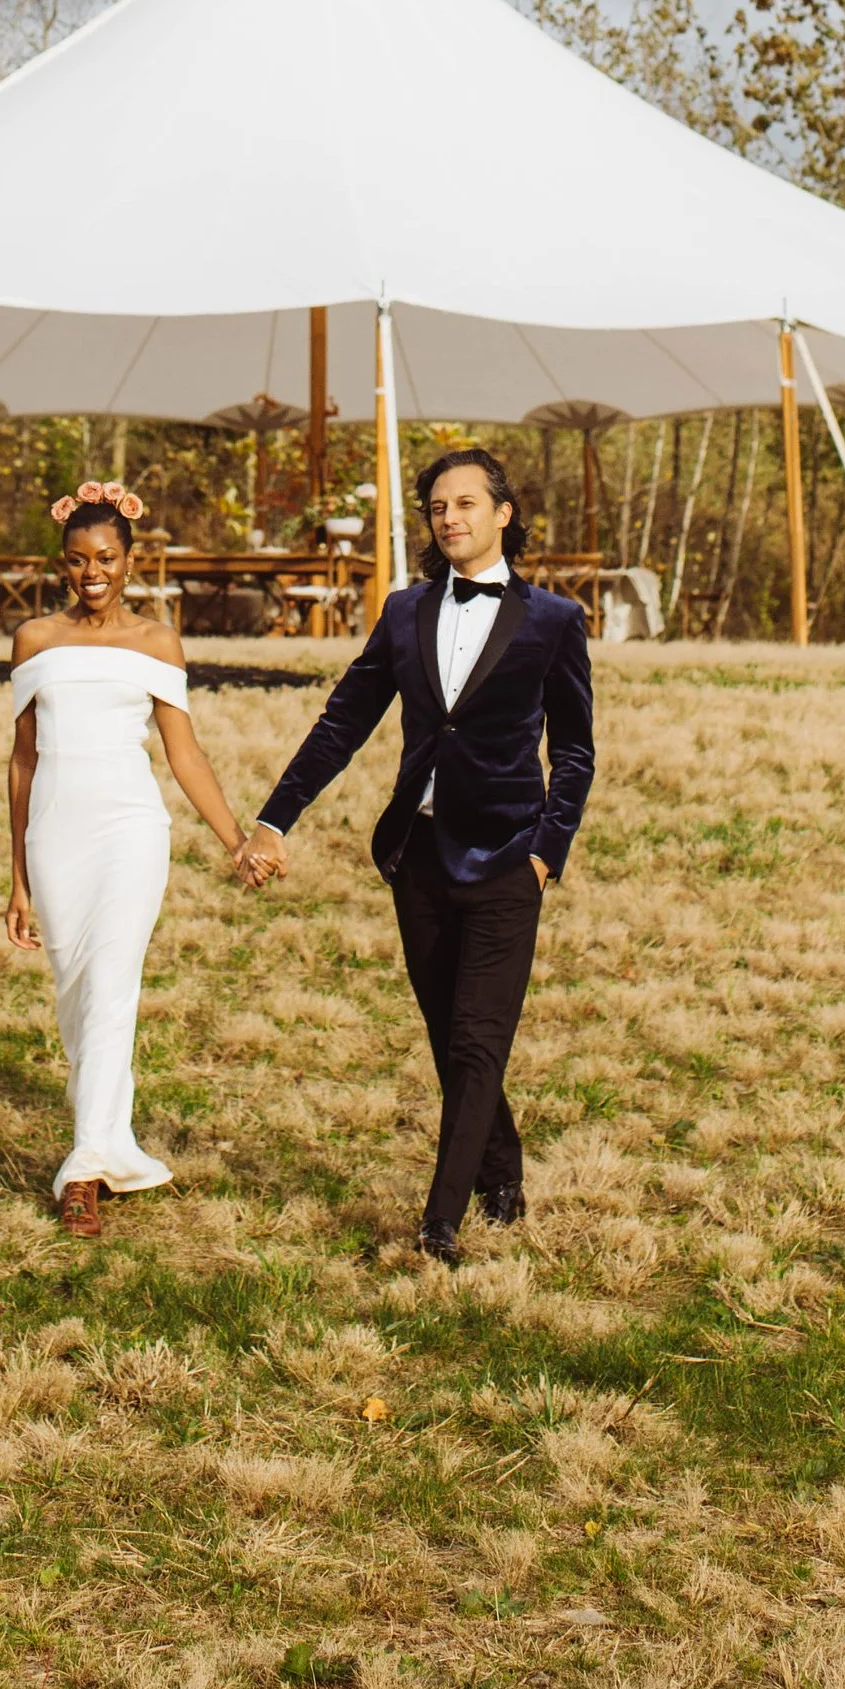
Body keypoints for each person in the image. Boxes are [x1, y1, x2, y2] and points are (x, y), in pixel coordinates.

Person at [235, 443, 594, 1264]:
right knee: (449, 1036)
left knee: (477, 1039)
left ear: (503, 514)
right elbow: (343, 722)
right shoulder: (404, 613)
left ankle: (439, 1225)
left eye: (466, 503)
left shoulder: (552, 621)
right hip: (420, 856)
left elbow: (575, 751)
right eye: (438, 507)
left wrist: (547, 850)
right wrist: (273, 820)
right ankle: (501, 1171)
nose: (450, 517)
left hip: (508, 858)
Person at [5, 480, 266, 1238]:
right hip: (56, 834)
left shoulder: (156, 642)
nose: (94, 572)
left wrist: (236, 840)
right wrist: (16, 877)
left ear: (131, 562)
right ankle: (112, 1143)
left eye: (108, 559)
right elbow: (21, 762)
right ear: (62, 562)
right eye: (80, 559)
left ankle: (83, 1171)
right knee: (77, 996)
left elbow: (184, 754)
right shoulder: (33, 640)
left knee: (113, 987)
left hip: (130, 831)